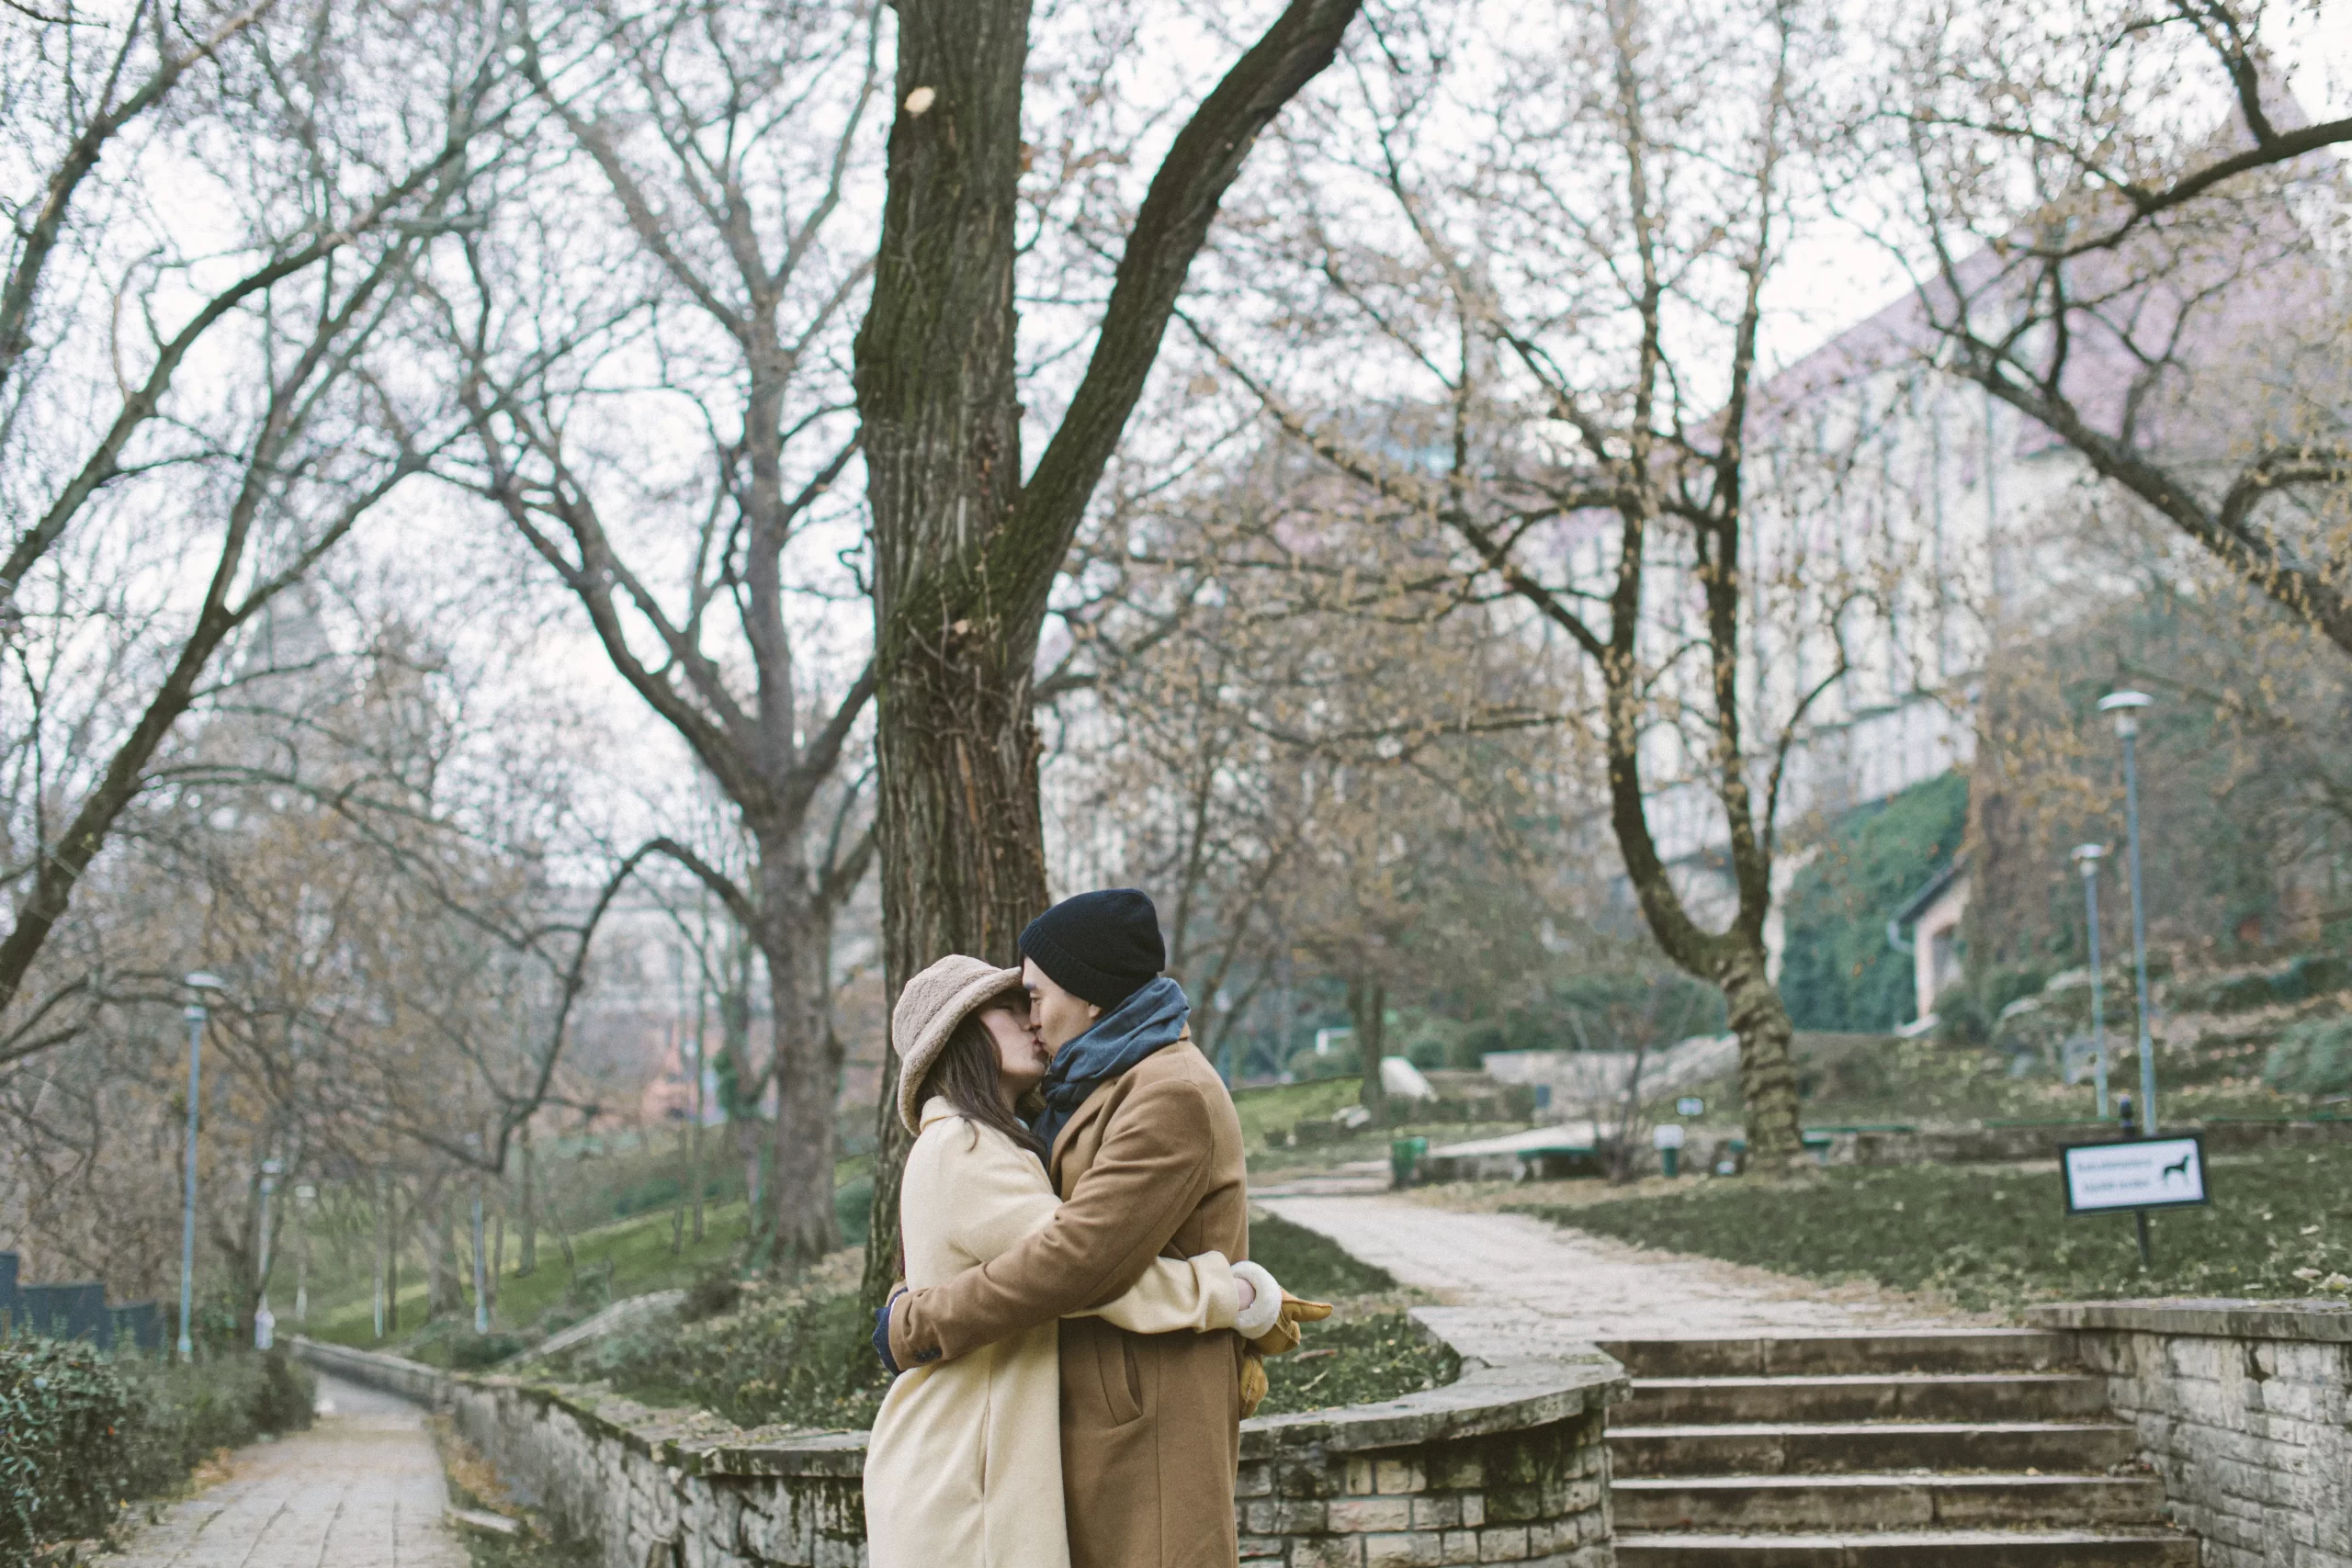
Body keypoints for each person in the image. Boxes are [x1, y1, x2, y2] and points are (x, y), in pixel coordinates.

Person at [881, 890, 1318, 1568]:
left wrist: (918, 1321)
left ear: (1087, 995)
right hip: (1062, 1422)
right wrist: (1227, 1293)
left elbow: (1078, 1257)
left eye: (1035, 993)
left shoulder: (1167, 1090)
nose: (1032, 1015)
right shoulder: (1022, 1119)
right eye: (1015, 1002)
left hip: (1150, 1411)